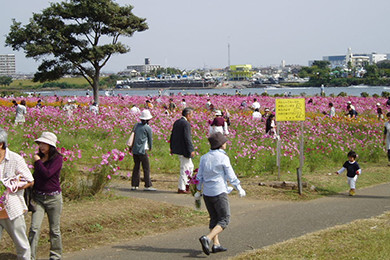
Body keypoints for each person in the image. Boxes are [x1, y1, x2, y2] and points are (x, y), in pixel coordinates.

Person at [196, 132, 246, 255]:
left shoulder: (204, 157)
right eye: (224, 142)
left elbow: (199, 176)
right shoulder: (223, 157)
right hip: (219, 192)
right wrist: (239, 188)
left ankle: (216, 244)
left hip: (207, 193)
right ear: (220, 145)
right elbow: (231, 175)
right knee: (224, 219)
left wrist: (198, 191)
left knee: (214, 218)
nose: (226, 143)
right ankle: (207, 238)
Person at [0, 127, 34, 260]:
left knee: (22, 244)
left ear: (1, 143)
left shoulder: (15, 159)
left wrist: (15, 186)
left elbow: (30, 180)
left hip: (12, 209)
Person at [29, 132, 63, 260]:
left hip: (53, 199)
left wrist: (37, 162)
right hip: (38, 198)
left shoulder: (58, 159)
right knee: (34, 228)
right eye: (40, 143)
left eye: (45, 144)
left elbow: (47, 174)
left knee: (54, 230)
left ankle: (55, 255)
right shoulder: (39, 157)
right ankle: (30, 256)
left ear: (51, 146)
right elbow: (37, 176)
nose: (42, 146)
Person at [170, 108, 195, 194]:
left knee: (190, 167)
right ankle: (182, 188)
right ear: (188, 115)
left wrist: (172, 147)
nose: (192, 117)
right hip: (184, 150)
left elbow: (172, 135)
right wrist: (191, 149)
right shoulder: (186, 124)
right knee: (185, 169)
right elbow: (187, 138)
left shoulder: (177, 122)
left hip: (178, 148)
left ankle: (187, 185)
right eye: (191, 115)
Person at [129, 110, 156, 191]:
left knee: (136, 167)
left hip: (135, 150)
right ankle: (147, 185)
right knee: (146, 168)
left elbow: (132, 137)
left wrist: (131, 148)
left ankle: (134, 185)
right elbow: (150, 139)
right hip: (142, 151)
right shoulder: (148, 128)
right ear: (148, 120)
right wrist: (151, 147)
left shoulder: (136, 125)